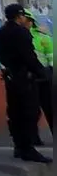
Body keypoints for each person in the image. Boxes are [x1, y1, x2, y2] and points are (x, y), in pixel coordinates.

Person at [0, 4, 52, 164]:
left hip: (11, 77)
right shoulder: (21, 32)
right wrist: (43, 73)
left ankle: (19, 146)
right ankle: (27, 148)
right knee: (29, 112)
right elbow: (29, 57)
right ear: (20, 16)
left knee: (14, 112)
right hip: (25, 77)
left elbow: (1, 56)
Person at [24, 10, 53, 143]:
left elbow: (52, 57)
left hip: (45, 77)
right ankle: (33, 137)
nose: (25, 23)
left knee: (51, 108)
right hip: (27, 79)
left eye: (27, 20)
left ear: (31, 22)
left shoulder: (42, 37)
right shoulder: (16, 37)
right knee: (31, 110)